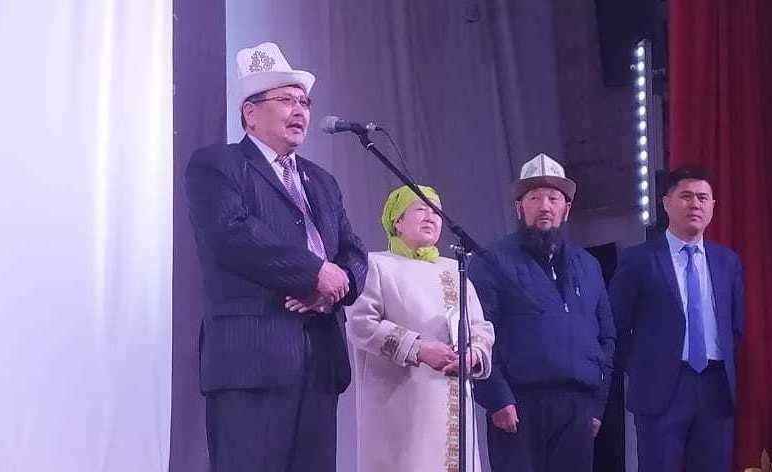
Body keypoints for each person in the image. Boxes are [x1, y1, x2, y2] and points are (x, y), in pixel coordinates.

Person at [185, 42, 367, 472]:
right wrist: (312, 273)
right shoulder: (218, 164)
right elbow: (231, 234)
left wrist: (334, 288)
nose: (300, 110)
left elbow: (353, 250)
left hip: (320, 358)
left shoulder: (321, 180)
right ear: (250, 112)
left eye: (304, 102)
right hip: (252, 359)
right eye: (286, 100)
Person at [469, 153, 615, 472]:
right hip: (518, 405)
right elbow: (476, 332)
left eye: (553, 198)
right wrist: (496, 398)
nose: (545, 206)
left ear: (567, 209)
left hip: (578, 406)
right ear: (519, 207)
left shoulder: (588, 265)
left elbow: (607, 338)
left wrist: (597, 405)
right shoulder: (491, 260)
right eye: (534, 197)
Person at [343, 185, 495, 472]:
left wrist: (474, 354)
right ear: (398, 221)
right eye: (420, 209)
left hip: (453, 399)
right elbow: (362, 324)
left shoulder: (454, 269)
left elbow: (480, 326)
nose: (430, 217)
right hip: (401, 402)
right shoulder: (376, 265)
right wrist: (419, 349)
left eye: (436, 211)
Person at [609, 166, 744, 472]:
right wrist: (643, 367)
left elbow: (735, 327)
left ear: (712, 206)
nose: (695, 204)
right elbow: (616, 326)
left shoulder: (727, 262)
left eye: (703, 198)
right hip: (661, 389)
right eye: (686, 196)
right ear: (666, 203)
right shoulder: (639, 260)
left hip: (715, 388)